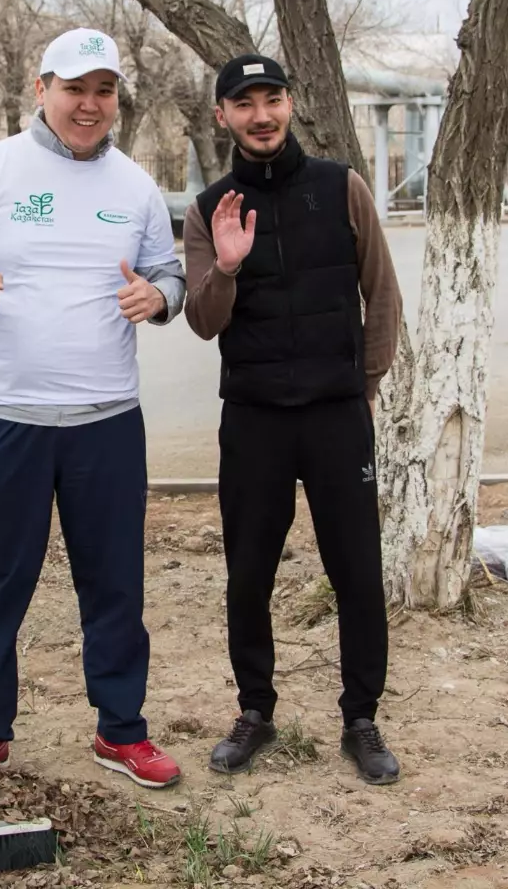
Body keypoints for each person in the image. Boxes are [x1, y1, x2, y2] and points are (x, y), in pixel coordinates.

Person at [0, 27, 186, 790]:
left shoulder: (135, 185)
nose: (89, 105)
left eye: (104, 91)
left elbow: (170, 273)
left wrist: (158, 297)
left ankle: (121, 731)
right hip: (6, 419)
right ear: (42, 90)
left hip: (106, 420)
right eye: (74, 89)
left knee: (116, 587)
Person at [182, 53, 405, 785]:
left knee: (356, 571)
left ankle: (361, 717)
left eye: (272, 98)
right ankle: (255, 711)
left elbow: (384, 297)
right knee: (248, 574)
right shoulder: (209, 207)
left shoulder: (341, 188)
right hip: (254, 421)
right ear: (224, 116)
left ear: (290, 103)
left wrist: (361, 388)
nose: (262, 114)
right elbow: (204, 322)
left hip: (337, 416)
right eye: (244, 104)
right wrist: (229, 263)